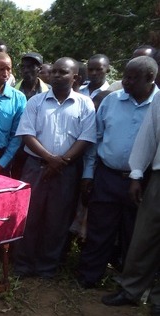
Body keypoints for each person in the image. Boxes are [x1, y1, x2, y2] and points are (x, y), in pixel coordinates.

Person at [78, 57, 158, 288]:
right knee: (99, 229)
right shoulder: (111, 101)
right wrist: (89, 174)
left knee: (135, 235)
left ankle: (129, 285)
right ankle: (89, 276)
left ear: (150, 79)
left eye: (133, 78)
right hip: (107, 175)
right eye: (125, 75)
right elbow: (96, 139)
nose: (125, 81)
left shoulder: (158, 105)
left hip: (143, 181)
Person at [13, 57, 96, 279]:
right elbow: (26, 134)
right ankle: (22, 264)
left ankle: (47, 267)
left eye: (63, 72)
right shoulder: (36, 102)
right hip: (36, 167)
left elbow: (86, 138)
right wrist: (50, 159)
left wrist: (60, 162)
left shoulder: (85, 104)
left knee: (57, 220)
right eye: (55, 72)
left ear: (75, 77)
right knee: (29, 217)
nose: (57, 76)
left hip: (67, 171)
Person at [101, 74, 160, 316]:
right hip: (158, 175)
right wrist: (136, 173)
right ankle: (131, 289)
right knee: (145, 236)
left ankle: (158, 300)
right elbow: (149, 135)